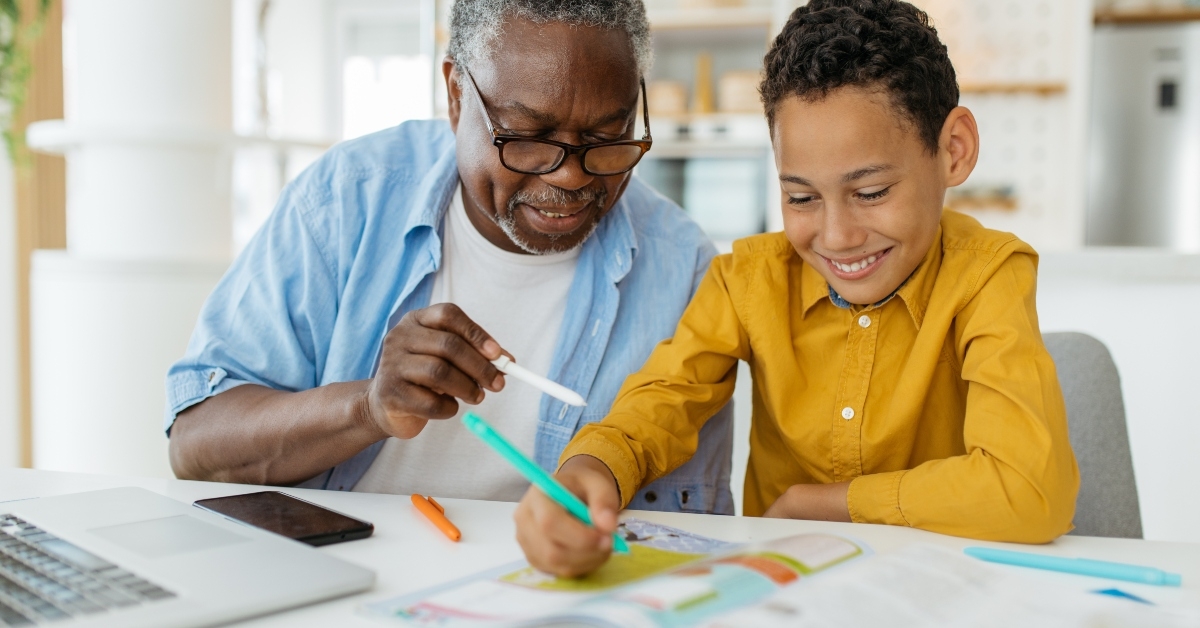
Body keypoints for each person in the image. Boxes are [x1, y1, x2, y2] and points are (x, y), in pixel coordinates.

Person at [514, 0, 1080, 577]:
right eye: (801, 198)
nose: (836, 237)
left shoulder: (987, 273)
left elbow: (1030, 490)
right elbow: (663, 400)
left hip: (936, 588)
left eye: (872, 191)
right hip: (781, 592)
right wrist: (593, 466)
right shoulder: (748, 279)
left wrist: (831, 504)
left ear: (952, 150)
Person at [164, 0, 735, 515]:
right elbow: (196, 447)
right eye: (528, 136)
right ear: (456, 96)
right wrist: (366, 407)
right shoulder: (345, 200)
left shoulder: (681, 269)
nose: (570, 175)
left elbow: (684, 534)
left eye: (608, 136)